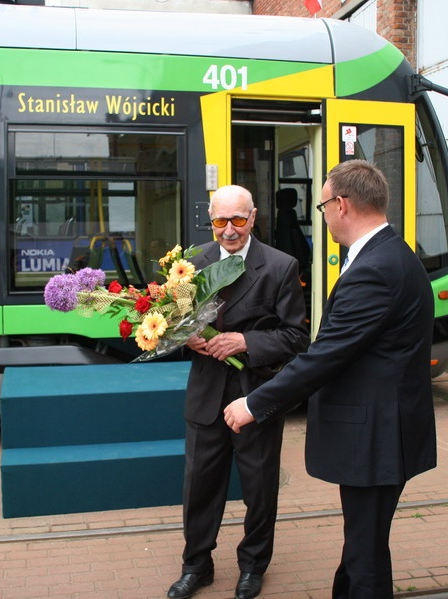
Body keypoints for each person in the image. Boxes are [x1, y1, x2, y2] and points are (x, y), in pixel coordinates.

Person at [223, 160, 437, 599]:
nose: (324, 217)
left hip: (376, 436)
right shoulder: (394, 255)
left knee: (366, 554)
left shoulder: (375, 268)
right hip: (384, 431)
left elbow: (326, 354)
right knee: (363, 546)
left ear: (341, 204)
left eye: (322, 206)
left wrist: (253, 404)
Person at [166, 184, 309, 599]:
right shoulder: (190, 263)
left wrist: (246, 342)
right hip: (206, 395)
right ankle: (197, 566)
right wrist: (185, 337)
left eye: (238, 220)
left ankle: (252, 567)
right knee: (198, 488)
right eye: (219, 221)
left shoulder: (281, 266)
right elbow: (175, 322)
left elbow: (296, 338)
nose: (229, 230)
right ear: (210, 219)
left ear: (254, 216)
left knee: (260, 489)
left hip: (257, 396)